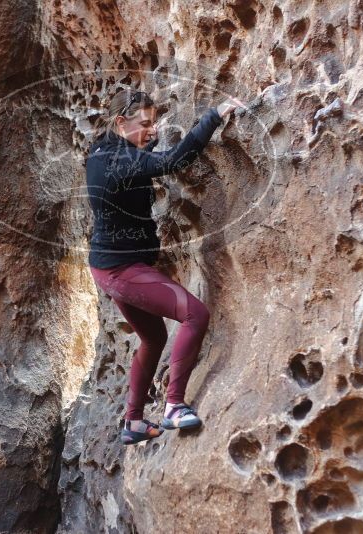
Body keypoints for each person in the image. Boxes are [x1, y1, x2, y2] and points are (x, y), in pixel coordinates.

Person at [85, 88, 243, 445]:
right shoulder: (122, 160)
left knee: (153, 338)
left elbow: (137, 165)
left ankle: (133, 422)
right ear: (120, 122)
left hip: (108, 266)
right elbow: (172, 162)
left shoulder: (101, 153)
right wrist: (213, 117)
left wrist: (146, 140)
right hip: (121, 270)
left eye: (154, 124)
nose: (152, 131)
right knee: (195, 315)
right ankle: (174, 406)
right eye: (145, 124)